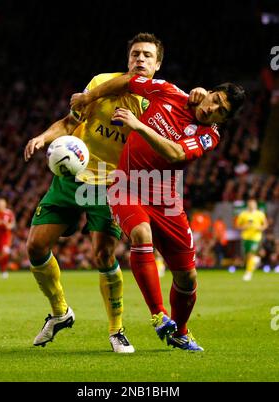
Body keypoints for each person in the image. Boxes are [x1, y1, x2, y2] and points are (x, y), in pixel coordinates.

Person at [24, 32, 190, 352]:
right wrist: (43, 138)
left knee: (103, 254)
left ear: (157, 65)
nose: (140, 59)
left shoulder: (156, 104)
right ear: (128, 59)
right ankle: (60, 312)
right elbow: (70, 121)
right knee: (35, 246)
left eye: (147, 56)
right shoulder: (100, 82)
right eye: (135, 54)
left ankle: (116, 330)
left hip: (112, 184)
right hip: (72, 177)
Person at [71, 73, 245, 351]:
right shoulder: (169, 92)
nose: (212, 109)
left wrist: (137, 125)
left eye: (221, 112)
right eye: (215, 100)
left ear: (223, 121)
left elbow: (175, 154)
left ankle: (181, 331)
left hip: (166, 198)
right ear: (210, 92)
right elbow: (129, 80)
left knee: (188, 277)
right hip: (126, 185)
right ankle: (159, 314)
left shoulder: (208, 136)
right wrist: (89, 96)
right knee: (141, 234)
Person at [235, 199, 268, 281]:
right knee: (247, 256)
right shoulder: (243, 214)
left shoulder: (260, 214)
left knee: (250, 254)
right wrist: (244, 227)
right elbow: (237, 226)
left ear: (256, 205)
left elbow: (265, 224)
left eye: (253, 204)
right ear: (248, 205)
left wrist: (260, 228)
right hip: (246, 237)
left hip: (256, 237)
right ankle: (256, 260)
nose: (252, 205)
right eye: (250, 204)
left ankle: (248, 273)